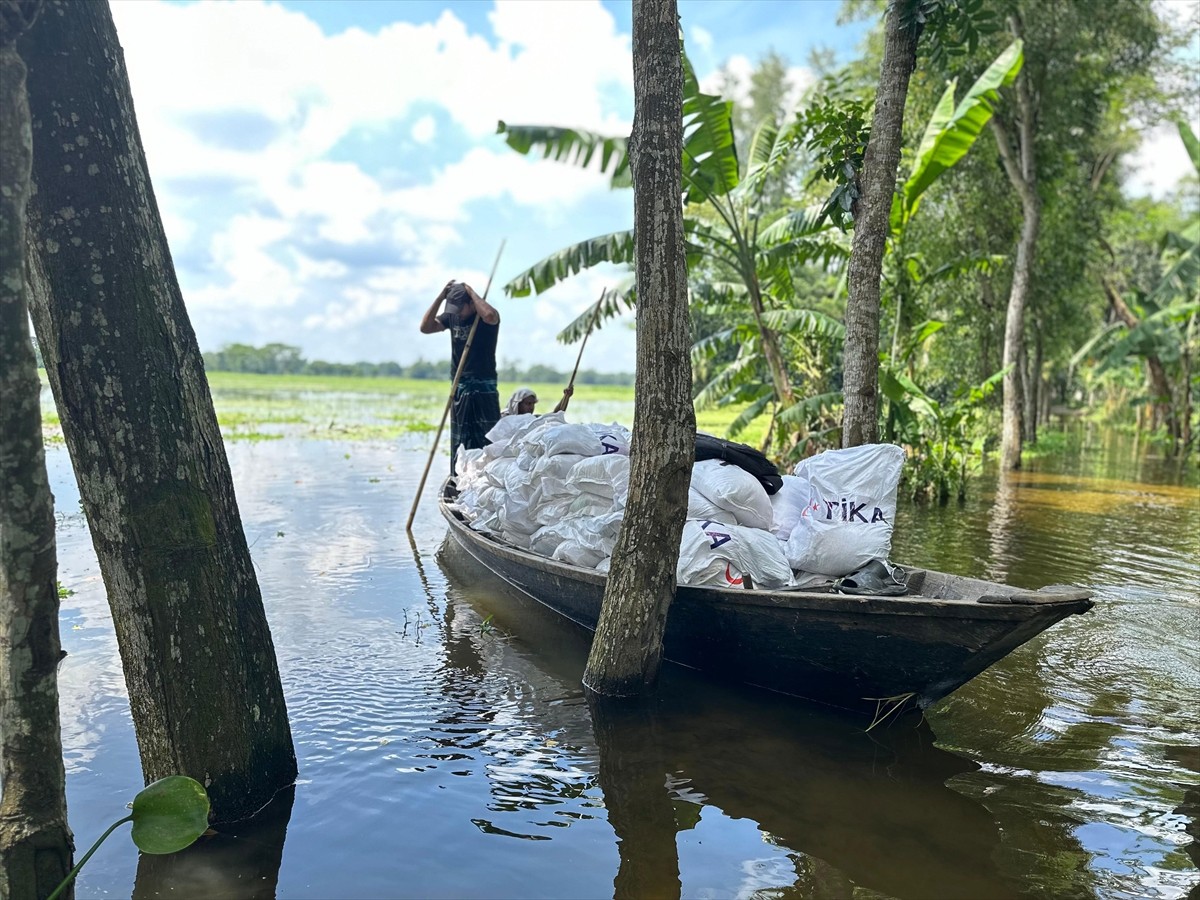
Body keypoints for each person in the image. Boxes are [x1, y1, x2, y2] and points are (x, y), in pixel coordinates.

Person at [420, 280, 501, 473]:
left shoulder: (484, 315)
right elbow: (426, 327)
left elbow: (490, 316)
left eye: (460, 308)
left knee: (488, 436)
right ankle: (460, 477)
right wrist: (440, 297)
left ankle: (489, 475)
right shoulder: (452, 317)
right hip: (460, 384)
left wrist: (471, 292)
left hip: (483, 386)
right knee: (461, 440)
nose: (457, 313)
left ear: (471, 304)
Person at [502, 385, 573, 417]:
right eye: (528, 403)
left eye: (533, 404)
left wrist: (566, 397)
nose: (531, 407)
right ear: (518, 404)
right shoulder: (504, 418)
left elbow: (555, 415)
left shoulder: (533, 420)